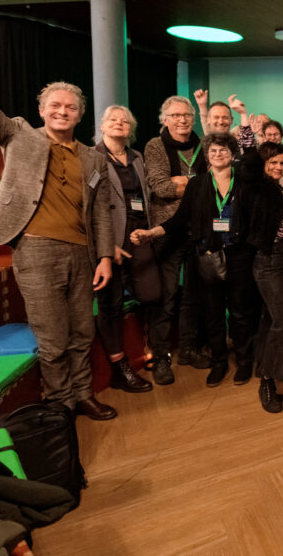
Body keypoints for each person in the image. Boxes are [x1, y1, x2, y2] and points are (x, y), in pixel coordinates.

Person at [0, 0, 117, 420]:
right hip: (35, 251)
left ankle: (83, 394)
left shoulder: (93, 158)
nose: (62, 111)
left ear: (80, 115)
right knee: (52, 338)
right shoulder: (18, 135)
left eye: (70, 107)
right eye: (55, 105)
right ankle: (59, 405)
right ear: (41, 111)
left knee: (81, 332)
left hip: (82, 254)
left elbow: (102, 211)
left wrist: (104, 255)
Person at [131, 133, 260, 388]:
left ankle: (244, 362)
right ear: (208, 156)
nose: (218, 154)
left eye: (223, 150)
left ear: (232, 154)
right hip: (208, 256)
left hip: (239, 257)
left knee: (240, 313)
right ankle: (219, 362)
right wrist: (151, 233)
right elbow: (179, 220)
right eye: (213, 151)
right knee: (212, 314)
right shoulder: (198, 184)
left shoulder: (244, 181)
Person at [93, 105, 159, 393]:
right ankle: (120, 368)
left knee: (152, 293)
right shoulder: (92, 157)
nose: (119, 124)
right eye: (113, 120)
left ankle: (152, 350)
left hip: (140, 233)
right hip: (110, 238)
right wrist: (107, 248)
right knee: (111, 304)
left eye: (124, 121)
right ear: (102, 126)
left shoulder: (137, 157)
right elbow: (91, 207)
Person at [144, 95, 211, 371]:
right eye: (175, 115)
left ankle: (188, 349)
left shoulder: (204, 145)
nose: (182, 120)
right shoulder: (155, 146)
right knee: (167, 296)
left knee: (194, 296)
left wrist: (184, 183)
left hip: (198, 230)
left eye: (186, 115)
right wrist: (197, 185)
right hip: (167, 231)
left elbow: (215, 182)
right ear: (165, 119)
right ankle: (160, 356)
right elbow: (161, 187)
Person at [243, 141, 283, 412]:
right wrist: (247, 129)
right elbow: (249, 166)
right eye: (273, 163)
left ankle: (265, 365)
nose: (279, 167)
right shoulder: (258, 186)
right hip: (269, 263)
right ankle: (268, 381)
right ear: (264, 164)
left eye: (282, 163)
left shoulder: (281, 191)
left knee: (270, 320)